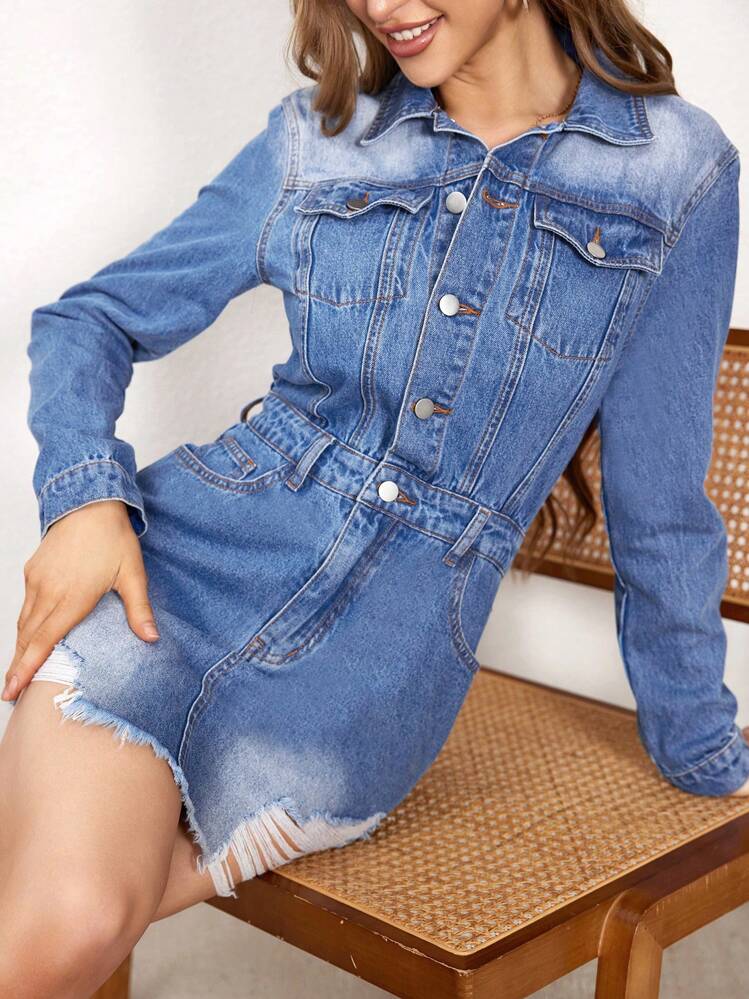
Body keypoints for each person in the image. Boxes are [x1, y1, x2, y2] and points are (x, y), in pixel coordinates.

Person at [2, 0, 747, 993]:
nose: (380, 6)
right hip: (177, 573)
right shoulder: (316, 139)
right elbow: (88, 320)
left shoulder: (676, 171)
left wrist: (701, 746)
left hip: (377, 669)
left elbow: (658, 503)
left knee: (84, 916)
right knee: (67, 922)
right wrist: (84, 502)